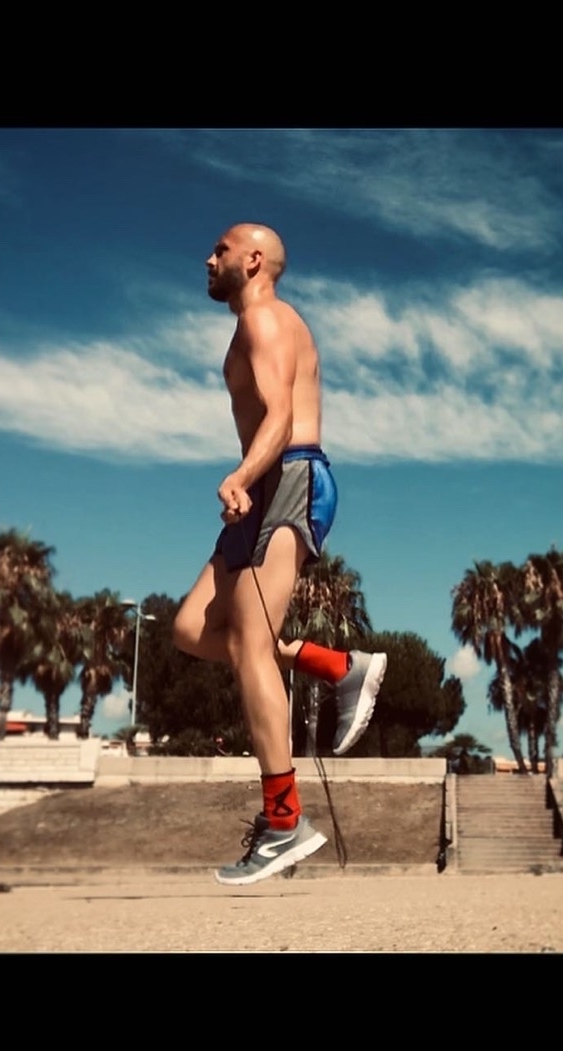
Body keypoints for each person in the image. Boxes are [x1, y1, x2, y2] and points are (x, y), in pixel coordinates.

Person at [173, 222, 388, 886]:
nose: (208, 258)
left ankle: (284, 821)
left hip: (288, 476)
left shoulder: (265, 318)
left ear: (254, 260)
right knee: (190, 630)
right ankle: (336, 665)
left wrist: (240, 476)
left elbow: (281, 418)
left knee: (248, 647)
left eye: (221, 250)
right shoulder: (252, 324)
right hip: (265, 484)